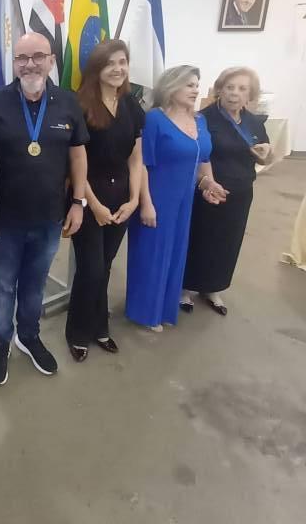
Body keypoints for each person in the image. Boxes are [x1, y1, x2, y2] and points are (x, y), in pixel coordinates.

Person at [0, 32, 88, 386]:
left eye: (38, 56)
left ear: (51, 60)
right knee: (3, 285)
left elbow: (78, 155)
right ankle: (0, 342)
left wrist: (79, 202)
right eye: (22, 58)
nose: (30, 64)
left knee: (35, 284)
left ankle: (28, 336)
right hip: (5, 219)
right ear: (14, 63)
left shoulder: (68, 102)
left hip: (50, 217)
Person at [126, 66, 225, 330]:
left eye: (197, 85)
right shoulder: (155, 119)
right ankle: (145, 313)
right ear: (171, 87)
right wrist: (146, 203)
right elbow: (141, 163)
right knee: (152, 256)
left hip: (185, 201)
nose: (195, 90)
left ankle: (164, 309)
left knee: (175, 254)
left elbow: (202, 159)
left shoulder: (200, 121)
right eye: (189, 85)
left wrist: (209, 183)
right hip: (157, 197)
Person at [66, 41, 144, 362]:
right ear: (96, 68)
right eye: (110, 63)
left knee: (106, 265)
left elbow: (136, 158)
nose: (118, 68)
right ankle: (77, 333)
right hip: (88, 195)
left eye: (122, 62)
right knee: (91, 270)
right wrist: (93, 205)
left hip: (121, 197)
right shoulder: (80, 105)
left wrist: (134, 199)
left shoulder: (131, 104)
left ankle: (100, 328)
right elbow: (74, 162)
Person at [181, 67, 270, 315]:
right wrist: (206, 182)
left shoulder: (253, 122)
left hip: (241, 192)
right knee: (200, 239)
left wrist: (265, 153)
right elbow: (196, 154)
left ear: (250, 94)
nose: (234, 93)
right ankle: (186, 287)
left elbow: (265, 154)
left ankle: (213, 287)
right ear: (219, 89)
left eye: (242, 89)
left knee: (228, 242)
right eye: (230, 87)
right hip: (208, 190)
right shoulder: (204, 118)